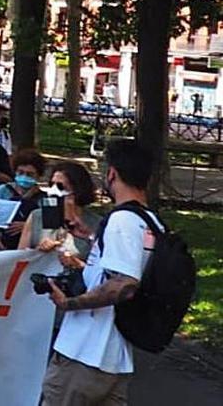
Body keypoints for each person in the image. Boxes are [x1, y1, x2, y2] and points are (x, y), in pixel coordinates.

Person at [42, 140, 164, 405]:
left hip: (84, 352)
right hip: (116, 360)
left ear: (112, 173)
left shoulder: (122, 220)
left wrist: (69, 303)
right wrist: (91, 235)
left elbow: (124, 284)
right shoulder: (151, 222)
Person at [18, 161, 100, 261]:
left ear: (77, 190)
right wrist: (39, 251)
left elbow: (100, 262)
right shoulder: (37, 216)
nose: (53, 190)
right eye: (52, 184)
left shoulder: (97, 223)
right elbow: (20, 257)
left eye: (60, 186)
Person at [0, 148, 48, 253]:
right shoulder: (2, 191)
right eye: (21, 172)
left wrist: (28, 227)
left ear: (38, 176)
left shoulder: (45, 198)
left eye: (30, 174)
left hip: (30, 250)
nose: (24, 176)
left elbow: (49, 228)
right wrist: (1, 247)